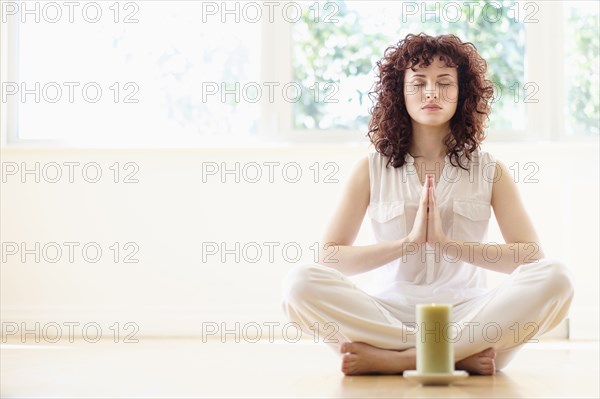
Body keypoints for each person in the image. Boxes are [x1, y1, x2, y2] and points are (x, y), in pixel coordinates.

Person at [281, 33, 574, 376]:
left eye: (444, 83)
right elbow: (329, 257)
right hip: (387, 314)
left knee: (557, 277)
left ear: (462, 92)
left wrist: (447, 245)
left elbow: (529, 257)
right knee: (298, 283)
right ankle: (450, 358)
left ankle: (400, 359)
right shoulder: (371, 168)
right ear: (399, 93)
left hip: (468, 317)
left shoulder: (490, 170)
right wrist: (407, 244)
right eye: (418, 83)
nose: (431, 92)